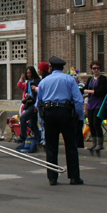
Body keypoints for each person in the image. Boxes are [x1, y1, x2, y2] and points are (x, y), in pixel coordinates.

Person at [35, 56, 85, 186]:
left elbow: (38, 102)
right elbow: (78, 100)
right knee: (70, 145)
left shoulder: (44, 81)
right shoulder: (69, 79)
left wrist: (42, 117)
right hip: (65, 113)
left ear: (51, 68)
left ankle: (52, 177)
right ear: (62, 68)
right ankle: (74, 177)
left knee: (51, 146)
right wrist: (80, 117)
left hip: (49, 113)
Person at [82, 60, 107, 154]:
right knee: (91, 123)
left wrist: (89, 91)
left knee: (97, 123)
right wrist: (88, 91)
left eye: (98, 68)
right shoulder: (90, 79)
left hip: (99, 103)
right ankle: (94, 142)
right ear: (92, 69)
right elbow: (84, 89)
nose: (96, 70)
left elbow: (101, 91)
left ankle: (100, 143)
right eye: (94, 68)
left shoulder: (103, 78)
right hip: (91, 103)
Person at [16, 66, 41, 146]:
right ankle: (39, 139)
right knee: (32, 124)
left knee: (23, 118)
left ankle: (23, 136)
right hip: (29, 103)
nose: (29, 74)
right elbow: (20, 85)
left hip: (35, 104)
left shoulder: (37, 81)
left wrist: (33, 99)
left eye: (30, 73)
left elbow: (40, 93)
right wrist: (27, 95)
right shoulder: (28, 82)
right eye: (27, 73)